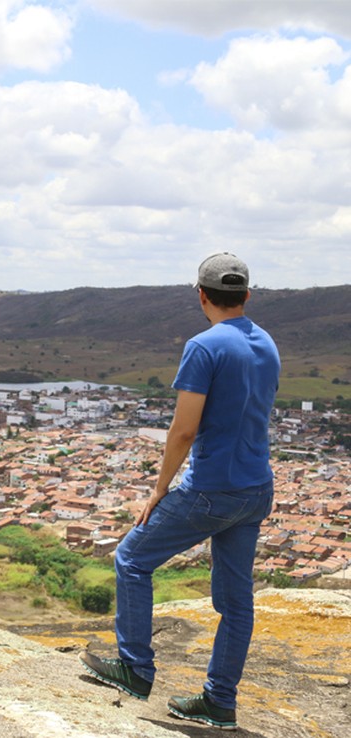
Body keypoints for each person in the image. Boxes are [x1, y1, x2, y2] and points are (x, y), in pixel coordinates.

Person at [79, 253, 279, 730]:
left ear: (201, 295)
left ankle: (135, 668)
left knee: (130, 559)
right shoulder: (267, 343)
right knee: (235, 603)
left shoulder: (204, 346)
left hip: (211, 488)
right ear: (247, 296)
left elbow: (183, 432)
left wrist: (158, 490)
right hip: (256, 488)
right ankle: (219, 702)